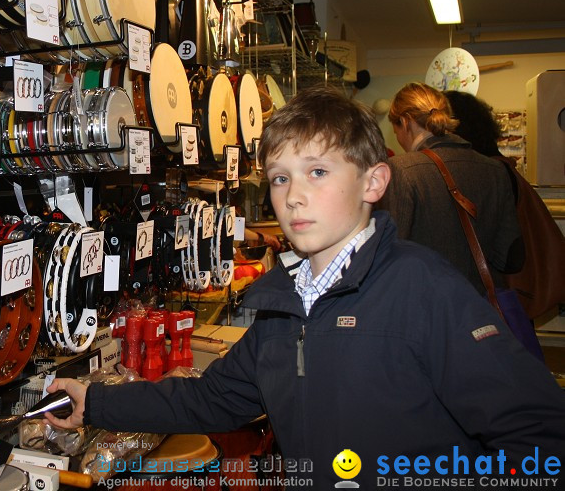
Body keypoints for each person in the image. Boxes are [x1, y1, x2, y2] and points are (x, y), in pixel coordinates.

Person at [46, 87, 565, 490]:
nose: (293, 197)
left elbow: (539, 436)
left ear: (374, 183)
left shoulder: (424, 290)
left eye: (317, 172)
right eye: (279, 178)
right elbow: (212, 398)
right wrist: (93, 403)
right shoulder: (285, 303)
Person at [379, 82, 523, 295]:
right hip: (481, 310)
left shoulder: (401, 170)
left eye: (396, 128)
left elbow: (388, 253)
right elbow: (511, 259)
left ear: (405, 121)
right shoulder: (495, 169)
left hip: (426, 307)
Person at [445, 90, 565, 319]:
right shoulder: (501, 169)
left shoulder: (486, 174)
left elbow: (504, 251)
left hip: (496, 299)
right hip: (508, 297)